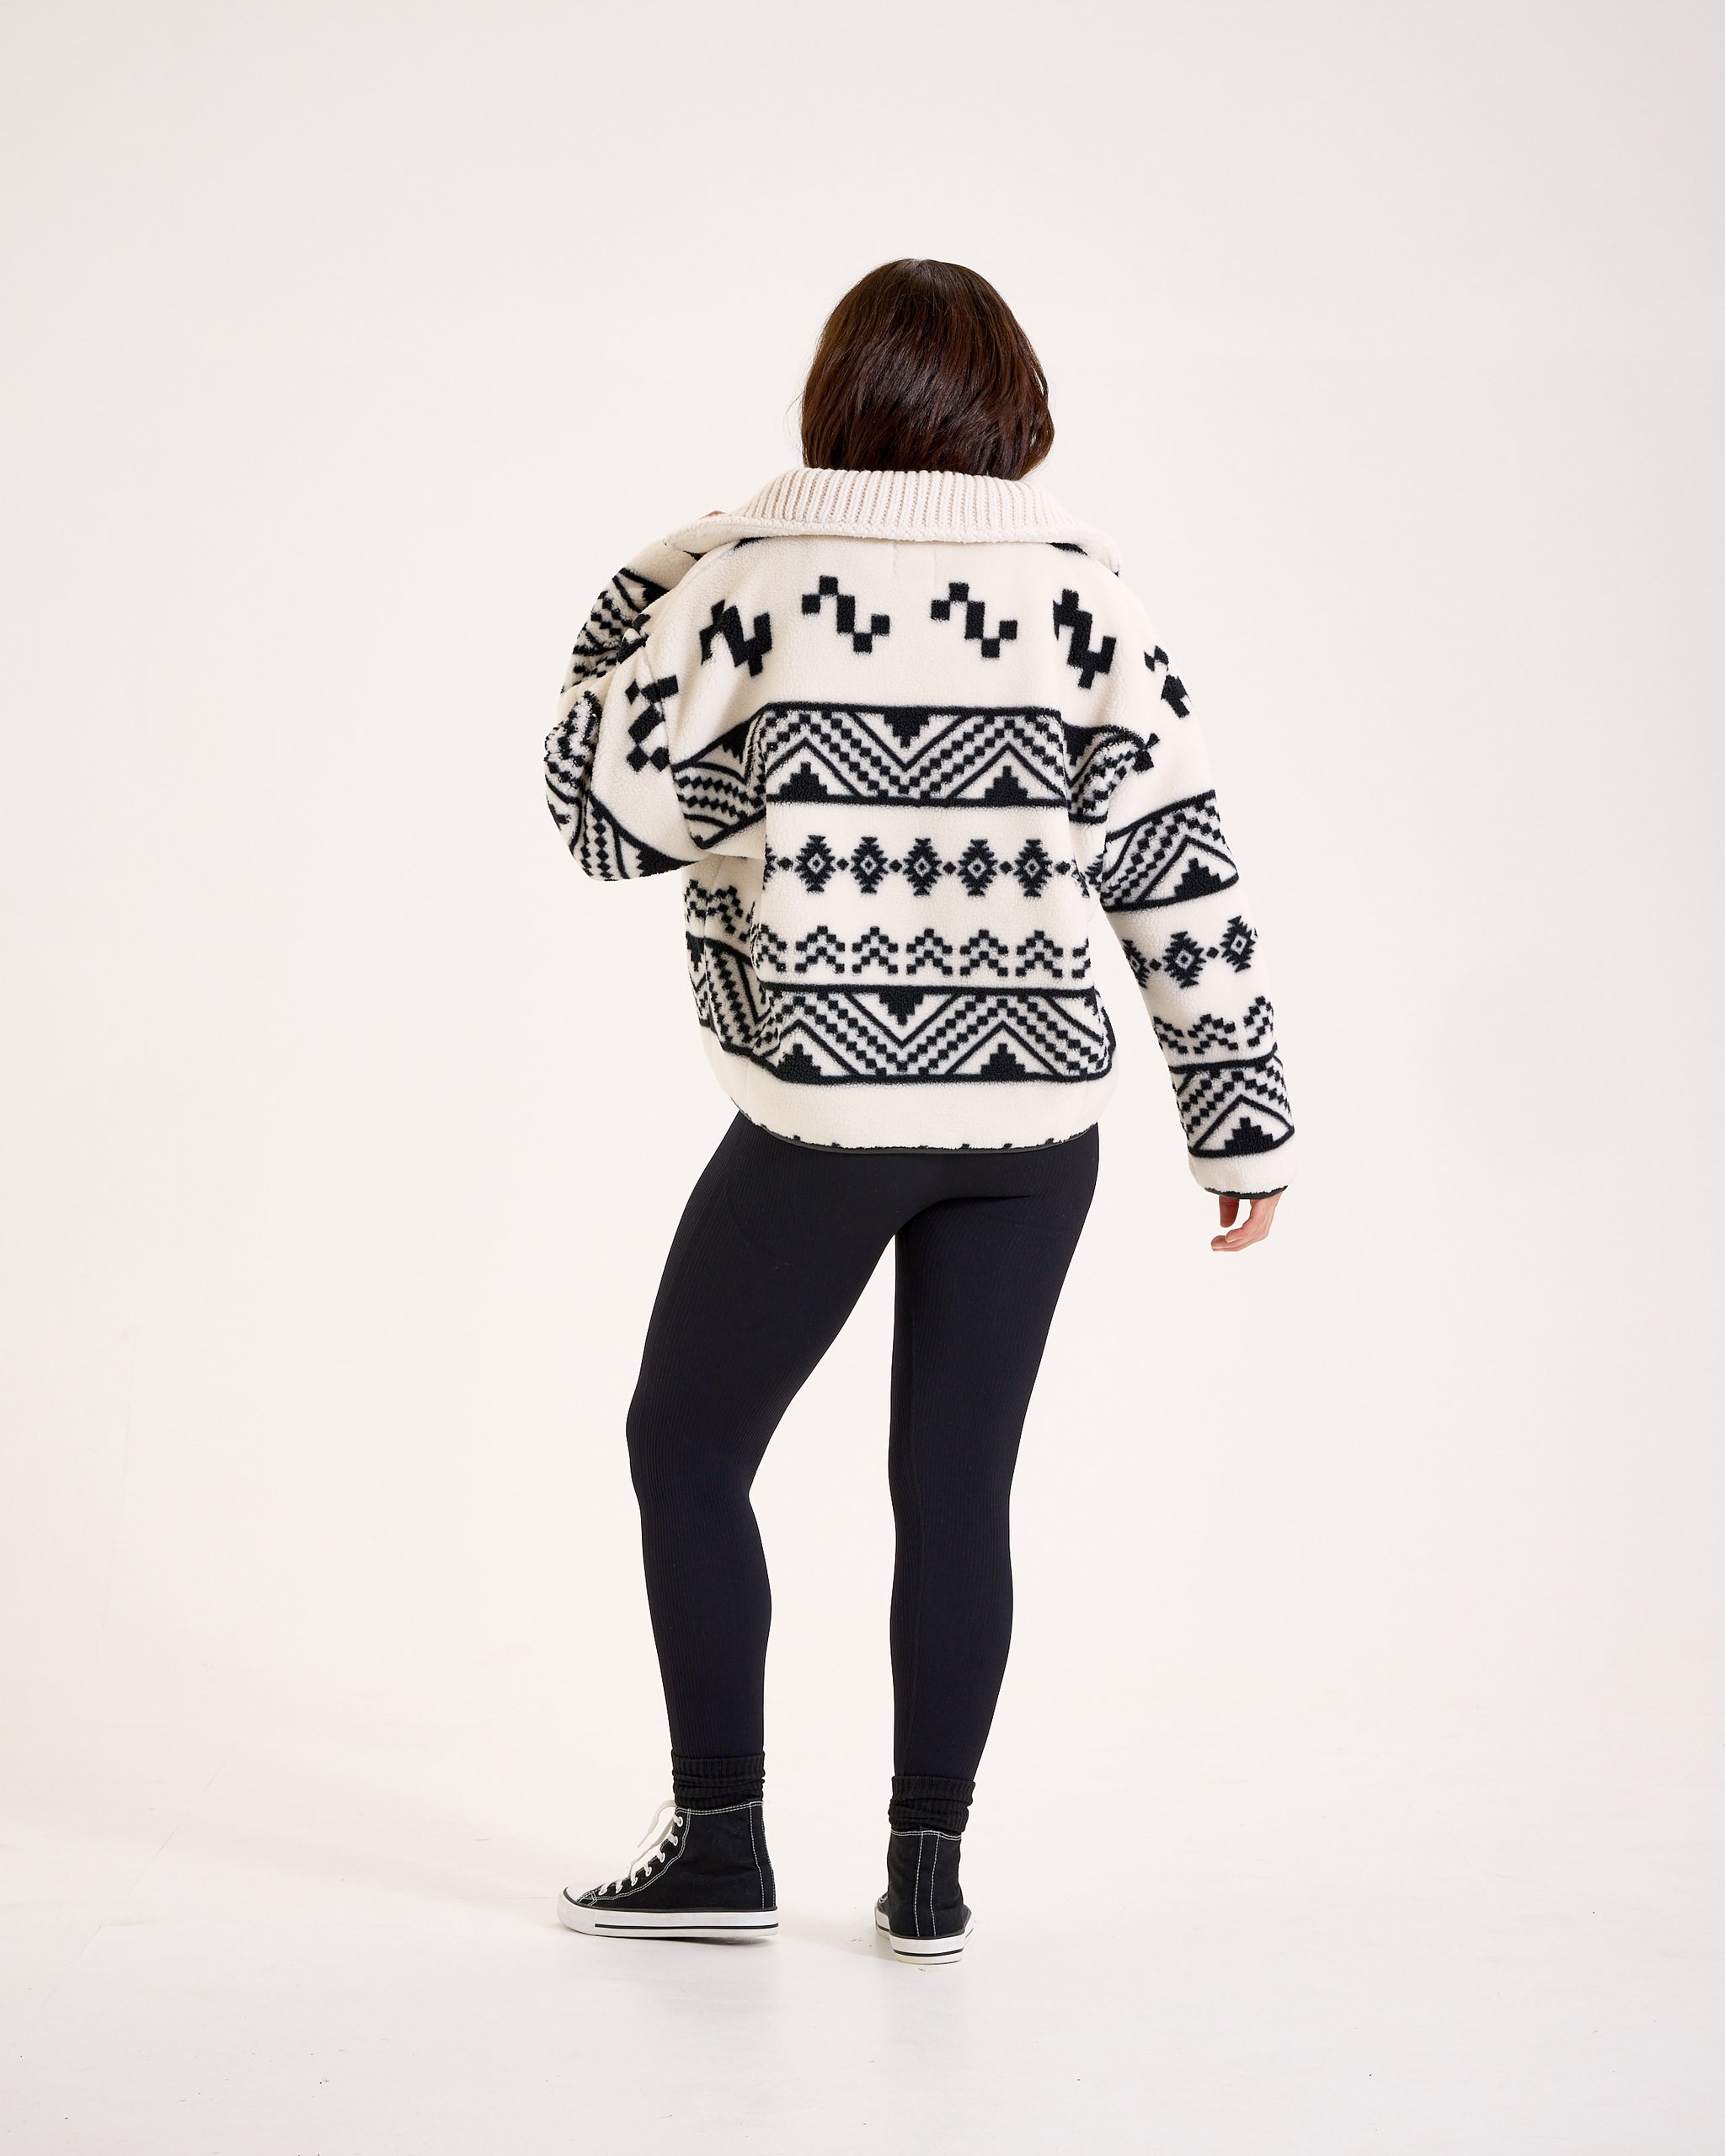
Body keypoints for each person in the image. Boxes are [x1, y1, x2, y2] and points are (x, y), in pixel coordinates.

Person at [544, 259, 1295, 1964]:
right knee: (957, 1491)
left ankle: (721, 1844)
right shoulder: (1089, 598)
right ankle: (929, 1873)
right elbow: (1180, 870)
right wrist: (1238, 1120)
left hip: (827, 1112)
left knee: (686, 1449)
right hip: (1035, 1128)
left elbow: (598, 818)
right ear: (1015, 408)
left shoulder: (747, 583)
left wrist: (680, 557)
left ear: (835, 396)